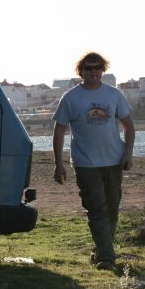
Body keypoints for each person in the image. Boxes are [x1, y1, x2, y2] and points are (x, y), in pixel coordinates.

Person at [52, 52, 135, 270]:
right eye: (88, 68)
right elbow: (59, 130)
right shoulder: (70, 98)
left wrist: (128, 153)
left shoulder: (114, 95)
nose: (93, 72)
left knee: (112, 210)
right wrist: (58, 163)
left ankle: (101, 251)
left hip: (114, 162)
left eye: (97, 67)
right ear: (81, 72)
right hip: (85, 164)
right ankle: (107, 258)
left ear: (103, 70)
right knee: (97, 210)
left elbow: (129, 125)